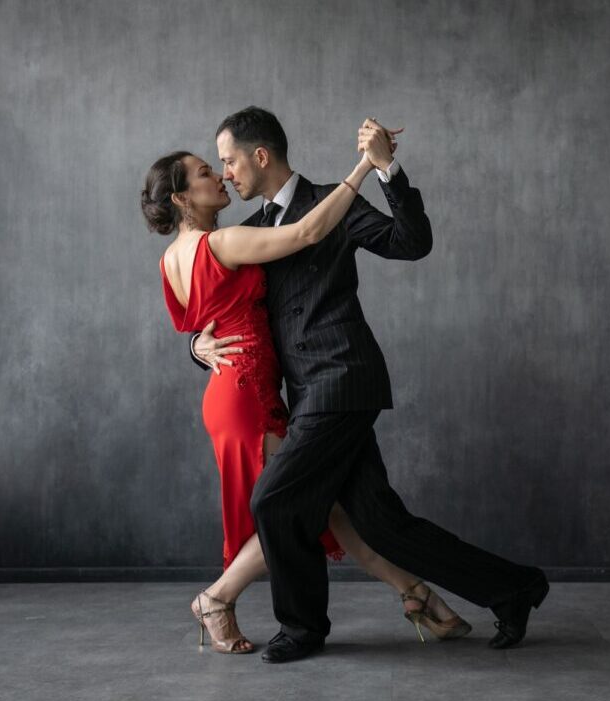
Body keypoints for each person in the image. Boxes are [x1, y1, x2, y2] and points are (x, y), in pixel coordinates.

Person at [191, 107, 548, 664]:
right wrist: (196, 347)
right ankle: (514, 589)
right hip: (308, 394)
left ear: (260, 156)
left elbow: (412, 242)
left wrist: (387, 172)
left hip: (343, 379)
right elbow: (220, 311)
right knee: (382, 524)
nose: (226, 173)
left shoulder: (333, 201)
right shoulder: (251, 231)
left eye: (230, 161)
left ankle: (303, 628)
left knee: (276, 498)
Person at [141, 130, 471, 655]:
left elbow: (202, 323)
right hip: (246, 392)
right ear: (182, 197)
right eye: (208, 171)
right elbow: (308, 230)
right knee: (295, 504)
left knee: (325, 504)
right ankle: (217, 598)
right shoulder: (223, 242)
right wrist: (363, 168)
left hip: (235, 391)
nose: (221, 174)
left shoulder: (173, 259)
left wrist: (198, 347)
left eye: (222, 163)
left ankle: (416, 595)